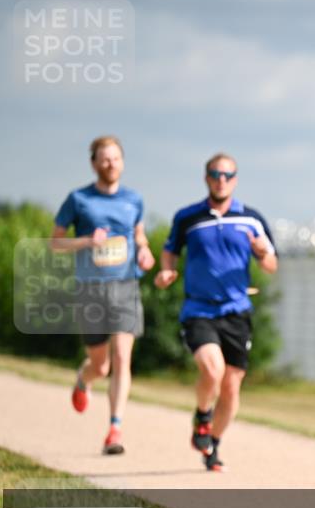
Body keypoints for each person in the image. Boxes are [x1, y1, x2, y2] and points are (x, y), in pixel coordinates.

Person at [154, 153, 277, 472]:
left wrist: (263, 254)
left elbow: (271, 265)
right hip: (199, 309)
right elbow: (169, 251)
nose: (221, 180)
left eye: (227, 175)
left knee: (232, 387)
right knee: (212, 369)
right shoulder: (188, 217)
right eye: (215, 174)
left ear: (235, 179)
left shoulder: (251, 218)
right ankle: (203, 415)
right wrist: (167, 271)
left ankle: (213, 445)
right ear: (206, 177)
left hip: (237, 312)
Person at [52, 135, 154, 455]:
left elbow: (139, 235)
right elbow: (55, 242)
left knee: (123, 357)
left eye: (115, 158)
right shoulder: (78, 199)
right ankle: (84, 379)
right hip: (90, 290)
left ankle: (115, 429)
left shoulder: (134, 199)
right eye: (104, 159)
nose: (110, 164)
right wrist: (85, 242)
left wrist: (145, 252)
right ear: (94, 163)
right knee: (102, 366)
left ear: (122, 162)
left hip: (125, 286)